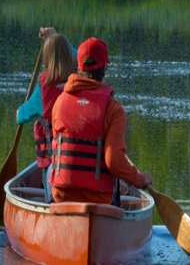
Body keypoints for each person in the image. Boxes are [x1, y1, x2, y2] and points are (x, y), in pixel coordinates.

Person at [49, 37, 153, 205]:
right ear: (105, 69)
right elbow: (114, 162)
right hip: (99, 201)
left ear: (78, 67)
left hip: (62, 197)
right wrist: (140, 179)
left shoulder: (59, 102)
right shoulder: (113, 109)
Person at [16, 27, 78, 203]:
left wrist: (19, 112)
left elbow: (21, 117)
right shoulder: (82, 80)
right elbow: (80, 55)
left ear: (47, 57)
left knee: (50, 190)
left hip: (54, 164)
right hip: (79, 162)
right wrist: (55, 36)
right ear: (70, 55)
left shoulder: (43, 88)